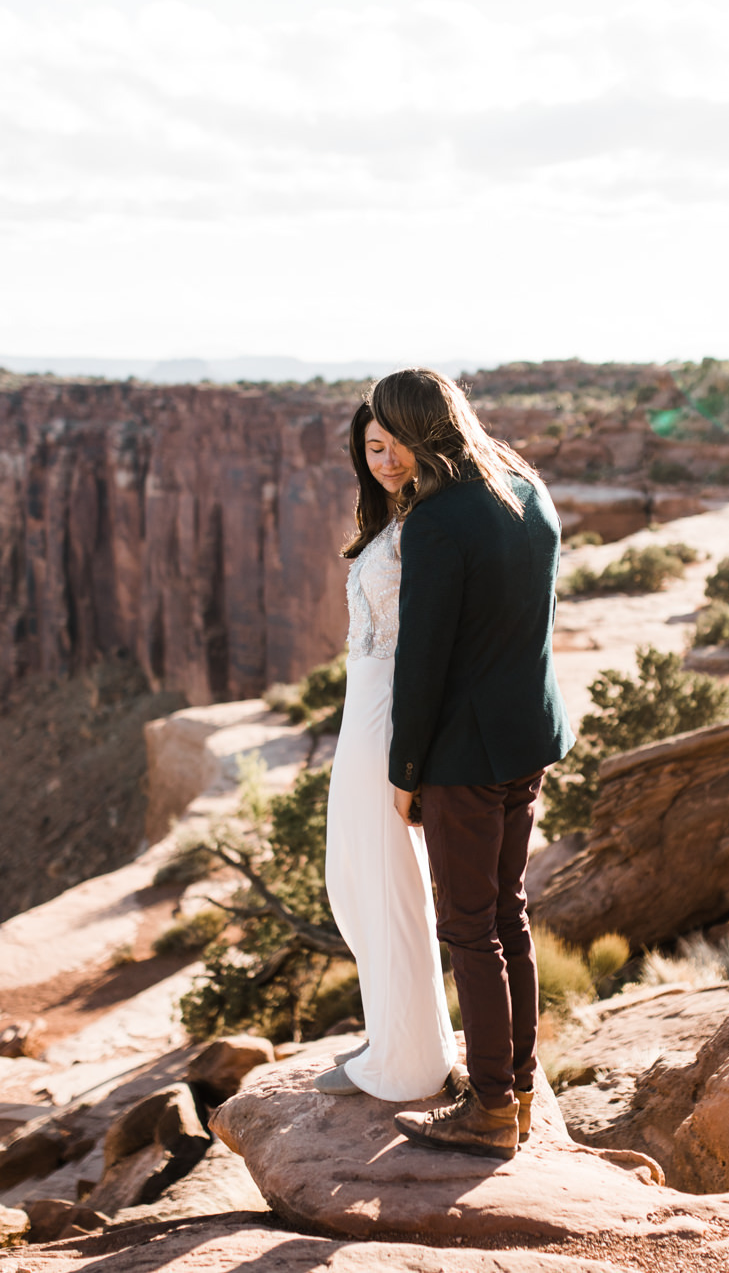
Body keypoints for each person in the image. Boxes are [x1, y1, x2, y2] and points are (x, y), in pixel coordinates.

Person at [371, 367, 573, 1162]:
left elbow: (423, 661)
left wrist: (406, 768)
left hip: (464, 752)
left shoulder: (438, 519)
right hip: (529, 738)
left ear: (414, 429)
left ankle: (488, 1108)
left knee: (466, 925)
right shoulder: (527, 489)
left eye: (387, 430)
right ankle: (516, 1085)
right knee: (508, 913)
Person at [311, 400, 460, 1102]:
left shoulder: (429, 522)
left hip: (386, 721)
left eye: (398, 443)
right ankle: (397, 1031)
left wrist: (411, 756)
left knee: (387, 877)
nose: (387, 458)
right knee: (356, 875)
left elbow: (434, 641)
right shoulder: (396, 519)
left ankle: (406, 1062)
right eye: (374, 446)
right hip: (361, 714)